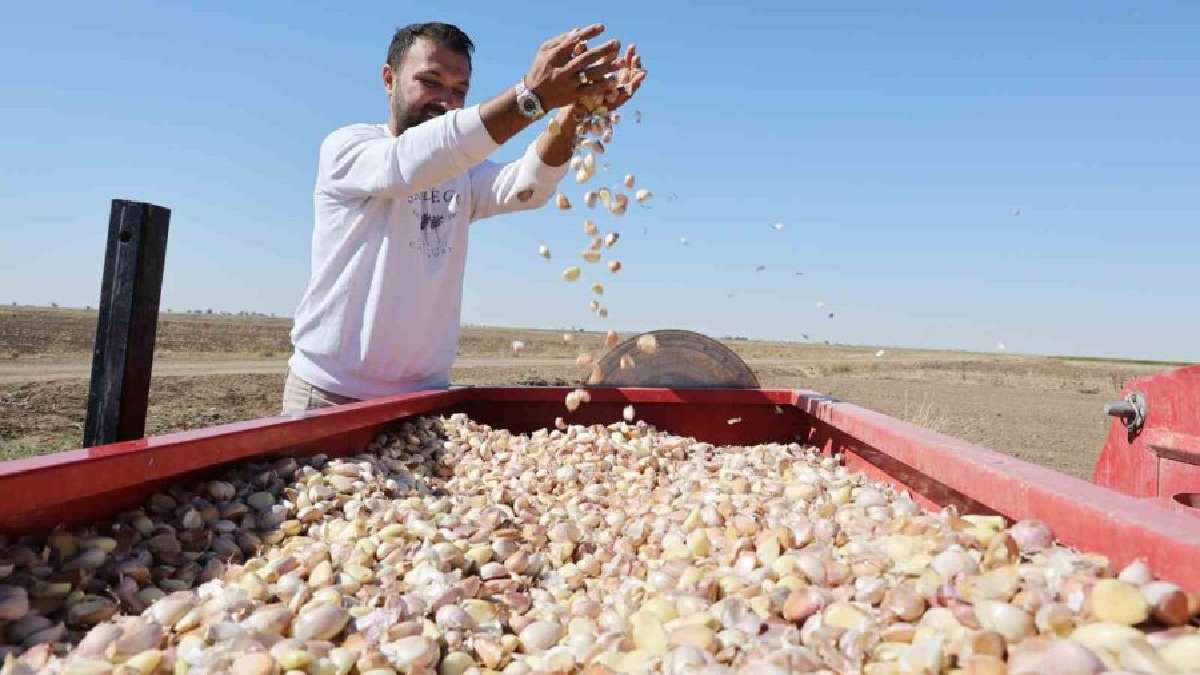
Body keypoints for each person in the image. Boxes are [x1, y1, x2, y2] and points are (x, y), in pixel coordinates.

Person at [281, 21, 646, 413]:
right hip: (328, 396)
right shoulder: (349, 149)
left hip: (423, 400)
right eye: (430, 82)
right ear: (389, 79)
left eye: (460, 92)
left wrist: (577, 114)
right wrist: (532, 97)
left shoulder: (460, 172)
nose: (445, 101)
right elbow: (407, 163)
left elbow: (528, 185)